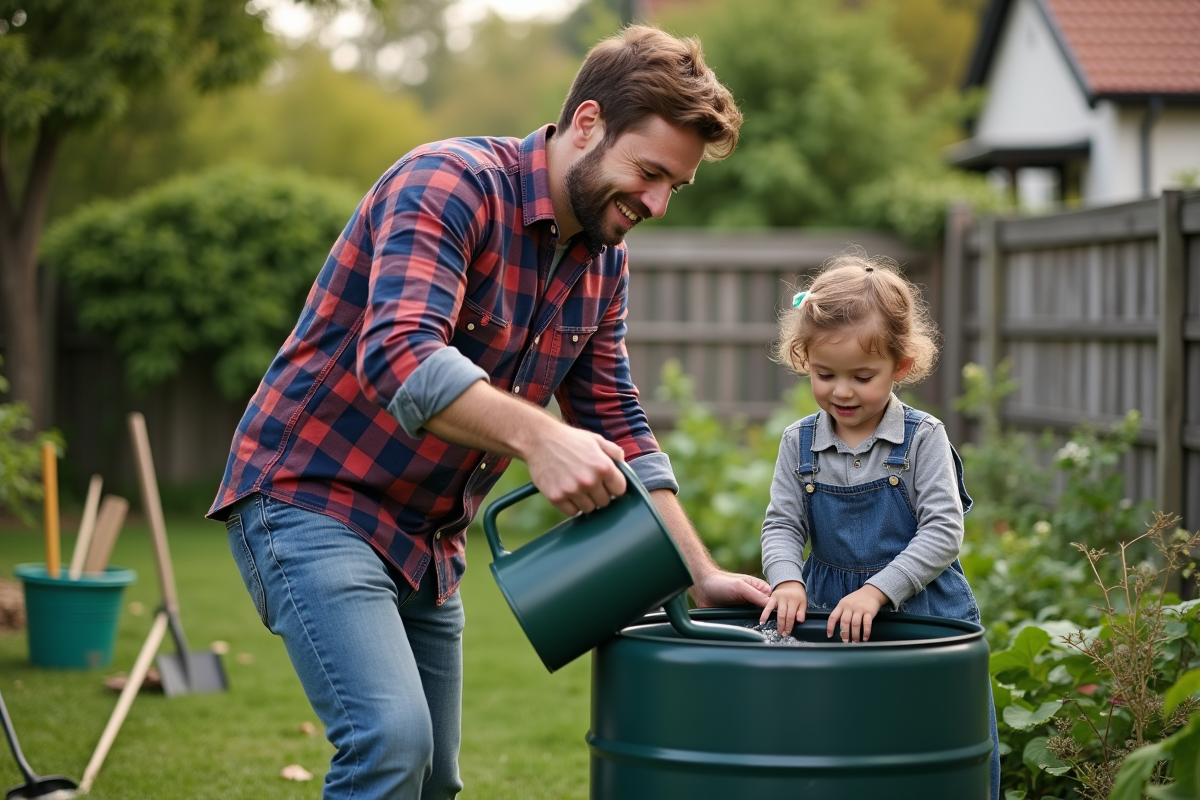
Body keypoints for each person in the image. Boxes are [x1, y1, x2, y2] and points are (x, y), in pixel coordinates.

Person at [207, 25, 770, 800]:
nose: (658, 202)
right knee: (390, 741)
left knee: (435, 779)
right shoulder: (449, 183)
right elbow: (400, 352)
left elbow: (615, 416)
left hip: (427, 541)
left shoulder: (602, 263)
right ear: (587, 123)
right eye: (649, 172)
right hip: (312, 499)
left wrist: (697, 571)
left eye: (676, 184)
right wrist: (541, 438)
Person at [757, 251, 1000, 799]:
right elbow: (781, 525)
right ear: (804, 360)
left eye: (862, 377)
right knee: (840, 752)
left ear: (901, 367)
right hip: (830, 617)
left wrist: (876, 591)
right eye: (825, 375)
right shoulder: (799, 442)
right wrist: (786, 580)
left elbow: (942, 531)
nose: (841, 391)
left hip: (921, 614)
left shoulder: (922, 439)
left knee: (929, 750)